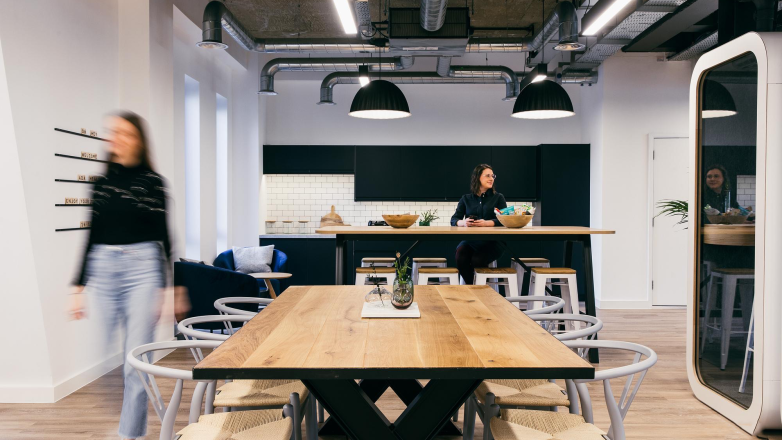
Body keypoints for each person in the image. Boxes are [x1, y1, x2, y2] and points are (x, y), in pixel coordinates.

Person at [67, 111, 188, 440]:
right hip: (102, 269)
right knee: (105, 354)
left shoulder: (153, 183)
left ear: (138, 141)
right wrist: (78, 286)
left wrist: (172, 287)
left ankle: (130, 433)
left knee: (134, 358)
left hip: (142, 269)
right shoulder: (101, 184)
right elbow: (90, 234)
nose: (116, 139)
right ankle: (137, 414)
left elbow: (166, 239)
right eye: (113, 133)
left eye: (125, 133)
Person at [450, 164, 507, 284]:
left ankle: (481, 291)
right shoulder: (466, 198)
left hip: (493, 241)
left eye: (492, 176)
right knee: (460, 256)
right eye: (487, 176)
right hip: (471, 240)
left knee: (477, 260)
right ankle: (473, 288)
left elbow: (504, 220)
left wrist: (487, 223)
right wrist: (463, 222)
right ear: (477, 178)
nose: (491, 178)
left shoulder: (498, 198)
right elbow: (454, 219)